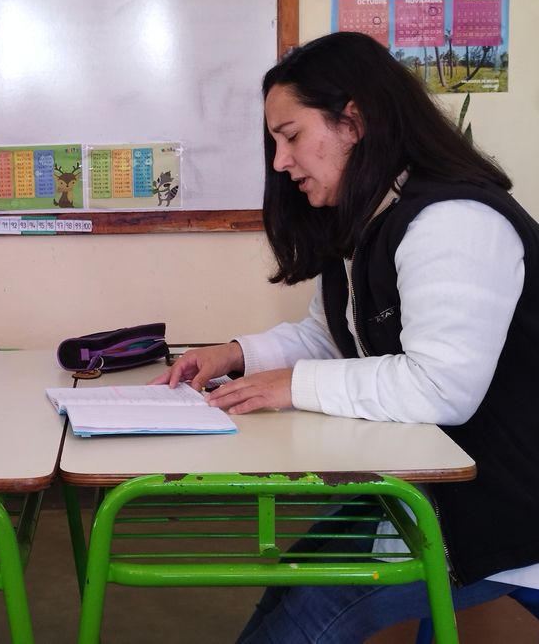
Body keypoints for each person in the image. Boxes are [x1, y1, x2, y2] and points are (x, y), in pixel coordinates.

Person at [155, 32, 539, 642]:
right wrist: (236, 355)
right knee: (290, 590)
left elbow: (442, 387)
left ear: (353, 121)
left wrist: (290, 386)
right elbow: (332, 338)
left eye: (290, 136)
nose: (281, 162)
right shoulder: (369, 218)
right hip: (422, 488)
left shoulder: (454, 222)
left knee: (305, 621)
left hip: (499, 503)